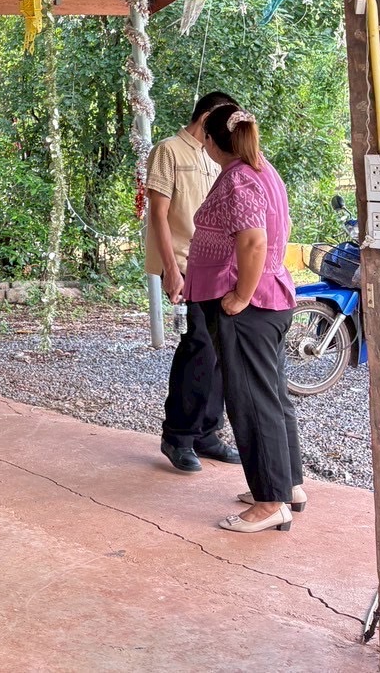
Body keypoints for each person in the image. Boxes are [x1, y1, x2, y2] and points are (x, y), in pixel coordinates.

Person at [185, 104, 302, 534]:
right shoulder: (263, 170)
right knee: (269, 394)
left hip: (251, 304)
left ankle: (271, 502)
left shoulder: (238, 179)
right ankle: (285, 486)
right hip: (271, 297)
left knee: (251, 401)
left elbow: (253, 242)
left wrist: (239, 295)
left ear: (214, 142)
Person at [150, 91, 243, 474]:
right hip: (186, 263)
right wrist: (170, 269)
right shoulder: (168, 151)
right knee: (199, 345)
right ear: (207, 117)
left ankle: (207, 433)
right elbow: (157, 213)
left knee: (220, 349)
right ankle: (177, 435)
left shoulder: (215, 154)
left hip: (218, 264)